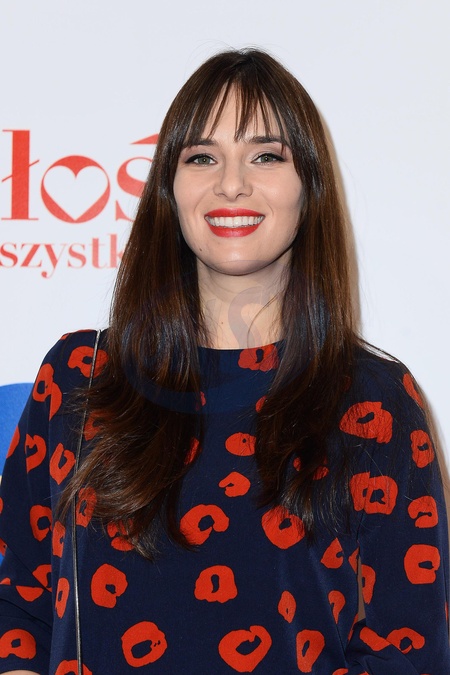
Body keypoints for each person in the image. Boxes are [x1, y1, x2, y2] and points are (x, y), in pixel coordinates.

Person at [0, 48, 448, 675]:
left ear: (309, 187)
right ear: (170, 188)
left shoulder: (375, 400)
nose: (231, 183)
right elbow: (18, 603)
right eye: (202, 157)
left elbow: (408, 648)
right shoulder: (82, 374)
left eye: (266, 156)